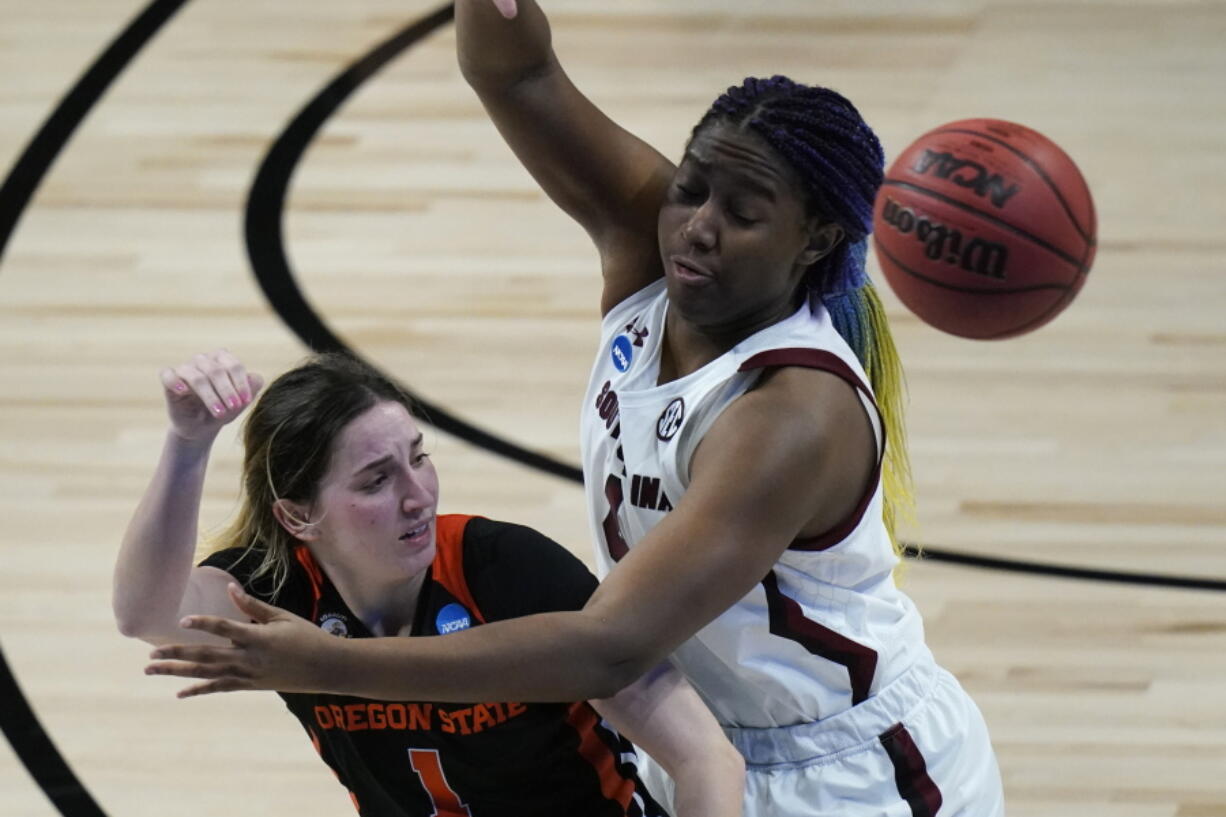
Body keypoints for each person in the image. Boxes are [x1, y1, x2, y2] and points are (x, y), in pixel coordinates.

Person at [145, 2, 1005, 814]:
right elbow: (515, 72)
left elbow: (608, 647)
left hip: (858, 778)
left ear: (814, 240)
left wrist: (335, 664)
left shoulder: (790, 414)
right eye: (690, 187)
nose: (696, 226)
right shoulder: (655, 244)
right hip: (698, 744)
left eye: (740, 214)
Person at [114, 348, 744, 817]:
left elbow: (707, 759)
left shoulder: (507, 570)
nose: (418, 497)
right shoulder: (280, 594)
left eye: (419, 458)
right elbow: (148, 614)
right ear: (298, 516)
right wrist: (188, 445)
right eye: (376, 480)